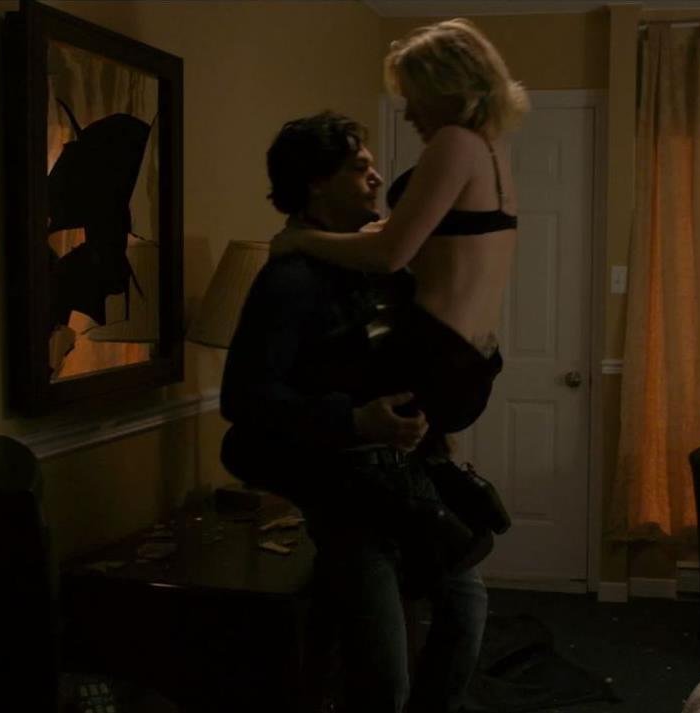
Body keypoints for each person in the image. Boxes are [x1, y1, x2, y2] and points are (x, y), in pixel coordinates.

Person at [218, 111, 487, 713]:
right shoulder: (288, 281)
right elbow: (243, 398)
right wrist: (353, 420)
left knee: (466, 608)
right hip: (344, 495)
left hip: (409, 482)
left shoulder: (377, 266)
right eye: (359, 167)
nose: (377, 177)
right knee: (383, 676)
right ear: (317, 182)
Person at [271, 18, 528, 440]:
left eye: (414, 98)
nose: (408, 113)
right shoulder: (491, 152)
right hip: (476, 361)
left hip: (432, 355)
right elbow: (442, 238)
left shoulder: (454, 141)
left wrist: (299, 239)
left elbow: (389, 255)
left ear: (446, 88)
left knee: (284, 407)